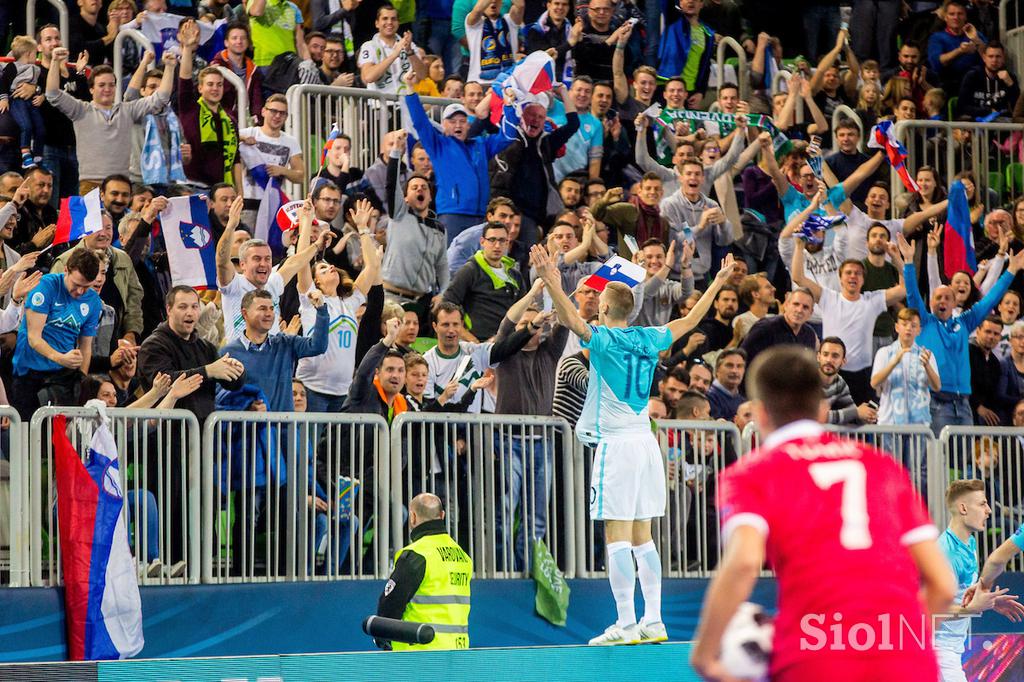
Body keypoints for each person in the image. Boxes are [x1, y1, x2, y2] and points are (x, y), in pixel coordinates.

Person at [690, 345, 956, 681]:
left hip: (813, 654)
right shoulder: (883, 466)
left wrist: (705, 655)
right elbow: (944, 586)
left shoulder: (751, 473)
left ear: (759, 414)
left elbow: (744, 562)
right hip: (906, 659)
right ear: (822, 411)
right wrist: (892, 637)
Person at [533, 242, 737, 646]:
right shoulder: (650, 338)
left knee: (618, 536)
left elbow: (573, 321)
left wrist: (551, 281)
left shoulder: (604, 340)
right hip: (647, 445)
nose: (594, 305)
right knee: (644, 536)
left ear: (606, 310)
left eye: (599, 301)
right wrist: (716, 282)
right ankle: (655, 620)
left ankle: (626, 623)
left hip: (617, 446)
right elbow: (694, 318)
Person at [897, 233, 1023, 435]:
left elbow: (990, 300)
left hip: (963, 402)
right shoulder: (924, 322)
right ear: (930, 302)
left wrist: (1011, 270)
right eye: (938, 297)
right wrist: (909, 263)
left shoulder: (964, 322)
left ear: (955, 304)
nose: (942, 301)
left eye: (948, 298)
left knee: (962, 459)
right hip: (935, 401)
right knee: (939, 458)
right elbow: (912, 293)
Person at [45, 47, 176, 194]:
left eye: (111, 85)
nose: (107, 89)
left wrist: (170, 67)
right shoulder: (80, 110)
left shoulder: (128, 110)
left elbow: (161, 97)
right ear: (91, 89)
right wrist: (55, 61)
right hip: (90, 186)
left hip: (121, 186)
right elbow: (52, 94)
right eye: (101, 85)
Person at [402, 71, 512, 243]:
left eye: (462, 121)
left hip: (480, 216)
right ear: (444, 125)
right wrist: (410, 88)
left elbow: (508, 136)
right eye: (452, 122)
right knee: (451, 265)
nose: (458, 125)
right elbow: (420, 121)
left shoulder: (481, 145)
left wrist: (510, 105)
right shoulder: (438, 145)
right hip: (452, 215)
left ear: (468, 125)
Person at [791, 240, 906, 404]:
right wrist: (799, 246)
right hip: (832, 372)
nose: (853, 276)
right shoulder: (828, 297)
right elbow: (798, 277)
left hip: (863, 375)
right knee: (829, 424)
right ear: (840, 278)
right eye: (848, 272)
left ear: (863, 280)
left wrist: (896, 258)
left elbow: (904, 288)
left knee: (863, 423)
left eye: (858, 273)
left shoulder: (872, 300)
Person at [934, 480, 1024, 682]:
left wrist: (988, 602)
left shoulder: (970, 543)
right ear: (963, 508)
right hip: (937, 652)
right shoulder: (946, 553)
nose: (989, 510)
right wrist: (971, 609)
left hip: (952, 650)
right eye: (982, 504)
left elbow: (960, 596)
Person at [11, 249, 103, 419]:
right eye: (77, 284)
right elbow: (33, 338)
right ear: (66, 270)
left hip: (61, 376)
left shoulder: (93, 302)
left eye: (87, 286)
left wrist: (81, 379)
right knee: (28, 436)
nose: (80, 292)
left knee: (56, 440)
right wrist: (60, 357)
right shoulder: (46, 286)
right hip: (28, 372)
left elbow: (85, 347)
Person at [137, 286, 247, 426]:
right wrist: (208, 371)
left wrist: (238, 371)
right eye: (183, 307)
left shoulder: (206, 347)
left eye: (194, 307)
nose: (190, 313)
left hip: (204, 437)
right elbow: (164, 383)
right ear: (169, 310)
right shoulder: (153, 346)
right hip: (164, 436)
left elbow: (232, 384)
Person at [375, 493, 471, 650]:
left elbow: (391, 604)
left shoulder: (416, 554)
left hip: (419, 652)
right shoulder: (463, 556)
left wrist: (381, 637)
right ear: (442, 515)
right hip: (458, 650)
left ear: (412, 517)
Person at [221, 288, 330, 411]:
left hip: (282, 428)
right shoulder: (229, 353)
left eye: (271, 309)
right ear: (245, 314)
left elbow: (318, 346)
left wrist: (321, 310)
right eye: (262, 309)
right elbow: (222, 400)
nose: (269, 314)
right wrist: (246, 408)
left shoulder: (286, 343)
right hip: (248, 428)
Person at [443, 222, 525, 341]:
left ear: (507, 243)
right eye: (492, 240)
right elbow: (446, 306)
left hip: (508, 344)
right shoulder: (469, 270)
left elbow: (523, 311)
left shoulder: (515, 275)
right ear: (482, 242)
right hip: (478, 343)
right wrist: (472, 341)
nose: (497, 245)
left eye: (502, 240)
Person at [871, 308, 942, 426]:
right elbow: (874, 383)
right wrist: (893, 362)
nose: (909, 328)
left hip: (919, 425)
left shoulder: (926, 354)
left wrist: (927, 366)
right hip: (890, 423)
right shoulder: (884, 352)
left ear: (919, 330)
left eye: (913, 325)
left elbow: (937, 386)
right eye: (904, 324)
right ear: (897, 327)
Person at [740, 288, 818, 367]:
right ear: (786, 305)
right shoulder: (765, 328)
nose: (799, 310)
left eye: (805, 307)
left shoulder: (809, 334)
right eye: (796, 304)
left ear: (811, 313)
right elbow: (742, 358)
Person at [818, 336, 877, 426]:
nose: (829, 360)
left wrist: (866, 416)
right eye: (825, 354)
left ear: (843, 361)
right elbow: (814, 416)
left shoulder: (839, 383)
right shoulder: (806, 379)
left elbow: (851, 415)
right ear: (818, 357)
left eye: (835, 356)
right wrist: (856, 412)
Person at [970, 316, 1006, 426]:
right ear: (977, 331)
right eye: (988, 332)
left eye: (996, 334)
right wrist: (977, 406)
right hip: (966, 413)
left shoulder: (995, 363)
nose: (991, 337)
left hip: (985, 420)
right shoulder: (966, 353)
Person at [706, 349, 746, 421]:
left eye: (739, 366)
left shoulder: (744, 402)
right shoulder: (707, 397)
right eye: (729, 365)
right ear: (717, 370)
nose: (734, 371)